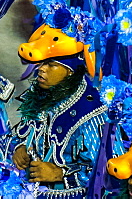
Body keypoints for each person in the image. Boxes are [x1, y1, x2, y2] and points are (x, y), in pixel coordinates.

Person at [9, 24, 105, 196]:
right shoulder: (40, 91)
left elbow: (105, 172)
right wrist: (19, 148)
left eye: (51, 64)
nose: (41, 69)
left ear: (70, 72)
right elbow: (19, 133)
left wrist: (60, 174)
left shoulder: (92, 111)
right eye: (41, 63)